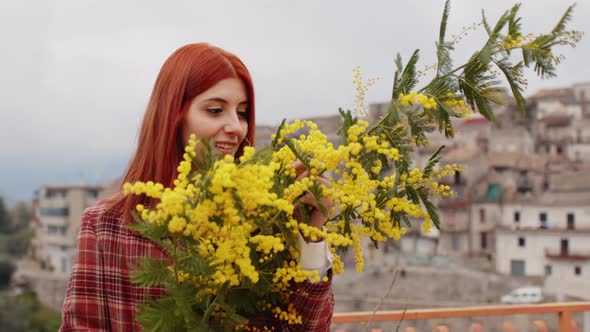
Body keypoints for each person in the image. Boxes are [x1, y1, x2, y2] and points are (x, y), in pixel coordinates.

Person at [59, 43, 334, 331]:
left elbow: (305, 327)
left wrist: (312, 235)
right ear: (173, 116)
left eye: (242, 113)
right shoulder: (106, 225)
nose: (236, 128)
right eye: (215, 110)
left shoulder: (265, 222)